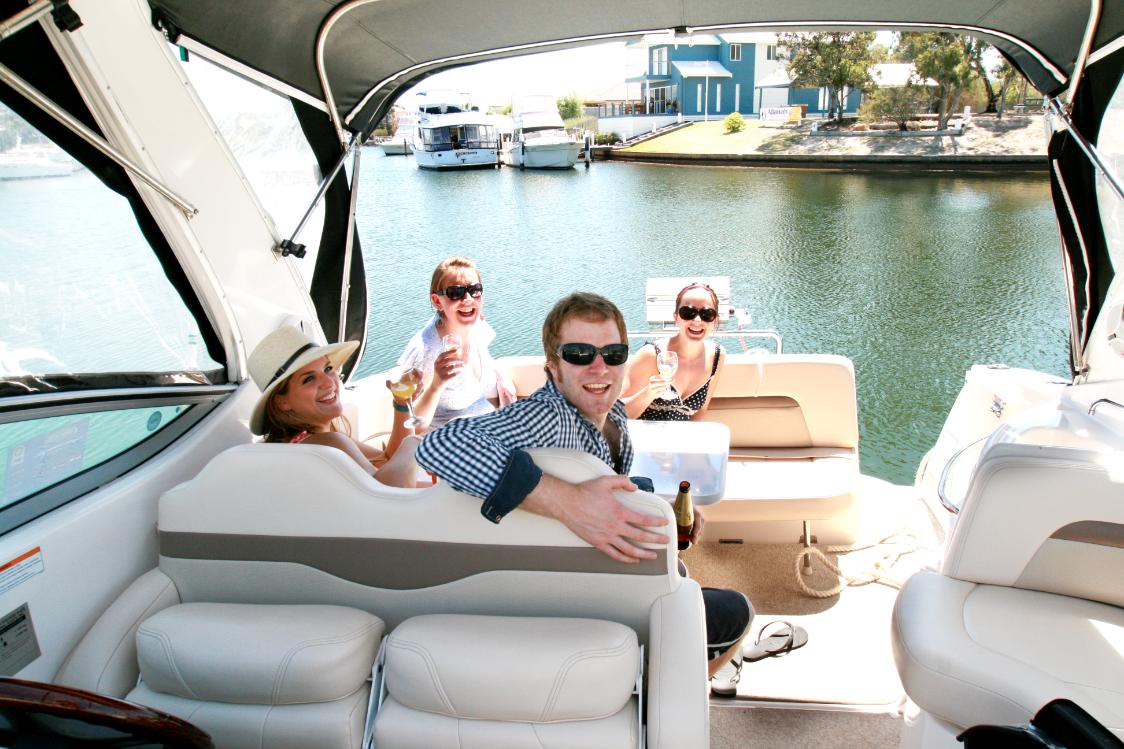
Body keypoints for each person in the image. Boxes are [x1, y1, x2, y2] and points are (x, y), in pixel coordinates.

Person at [415, 292, 751, 689]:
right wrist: (566, 502)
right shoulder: (548, 417)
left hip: (597, 580)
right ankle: (678, 687)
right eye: (578, 353)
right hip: (594, 602)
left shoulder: (616, 416)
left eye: (613, 353)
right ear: (553, 367)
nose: (599, 367)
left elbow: (600, 483)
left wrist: (659, 511)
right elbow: (437, 445)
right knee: (739, 609)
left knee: (678, 570)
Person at [249, 325, 421, 488]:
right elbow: (391, 493)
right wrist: (414, 444)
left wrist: (402, 403)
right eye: (308, 379)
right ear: (282, 402)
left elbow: (386, 461)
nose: (328, 382)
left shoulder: (302, 441)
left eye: (328, 368)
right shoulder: (329, 441)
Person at [398, 256, 515, 429]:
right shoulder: (426, 351)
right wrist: (436, 387)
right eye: (456, 293)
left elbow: (487, 359)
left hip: (486, 427)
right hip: (448, 442)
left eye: (475, 290)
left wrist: (502, 377)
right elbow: (412, 426)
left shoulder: (476, 326)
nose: (468, 299)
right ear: (437, 301)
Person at [622, 282, 726, 421]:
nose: (697, 320)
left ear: (715, 320)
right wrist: (649, 393)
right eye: (688, 312)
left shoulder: (717, 356)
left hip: (681, 440)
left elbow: (700, 411)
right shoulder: (651, 355)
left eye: (706, 314)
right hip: (641, 439)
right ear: (676, 317)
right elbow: (618, 415)